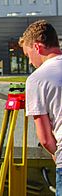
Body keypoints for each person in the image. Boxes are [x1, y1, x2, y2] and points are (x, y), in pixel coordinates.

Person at [19, 20, 62, 195]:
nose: (30, 62)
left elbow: (45, 138)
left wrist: (56, 155)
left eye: (28, 55)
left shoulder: (37, 79)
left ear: (37, 47)